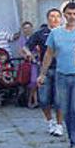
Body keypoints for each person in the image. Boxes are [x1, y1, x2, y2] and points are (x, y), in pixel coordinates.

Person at [38, 2, 75, 148]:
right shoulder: (55, 33)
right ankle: (72, 139)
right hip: (61, 76)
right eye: (69, 13)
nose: (72, 17)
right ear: (63, 15)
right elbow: (48, 54)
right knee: (65, 110)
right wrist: (42, 73)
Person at [24, 8, 64, 137]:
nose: (55, 19)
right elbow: (26, 47)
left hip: (60, 70)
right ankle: (50, 121)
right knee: (44, 99)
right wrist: (29, 54)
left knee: (59, 100)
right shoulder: (41, 33)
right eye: (52, 16)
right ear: (48, 18)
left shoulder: (65, 32)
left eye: (58, 16)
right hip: (45, 70)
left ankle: (59, 125)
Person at [16, 21, 39, 109]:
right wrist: (28, 56)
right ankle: (31, 100)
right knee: (31, 82)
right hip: (27, 63)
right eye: (25, 28)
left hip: (36, 62)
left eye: (29, 28)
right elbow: (20, 51)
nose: (27, 30)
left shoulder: (35, 37)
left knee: (35, 82)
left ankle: (33, 101)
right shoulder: (22, 39)